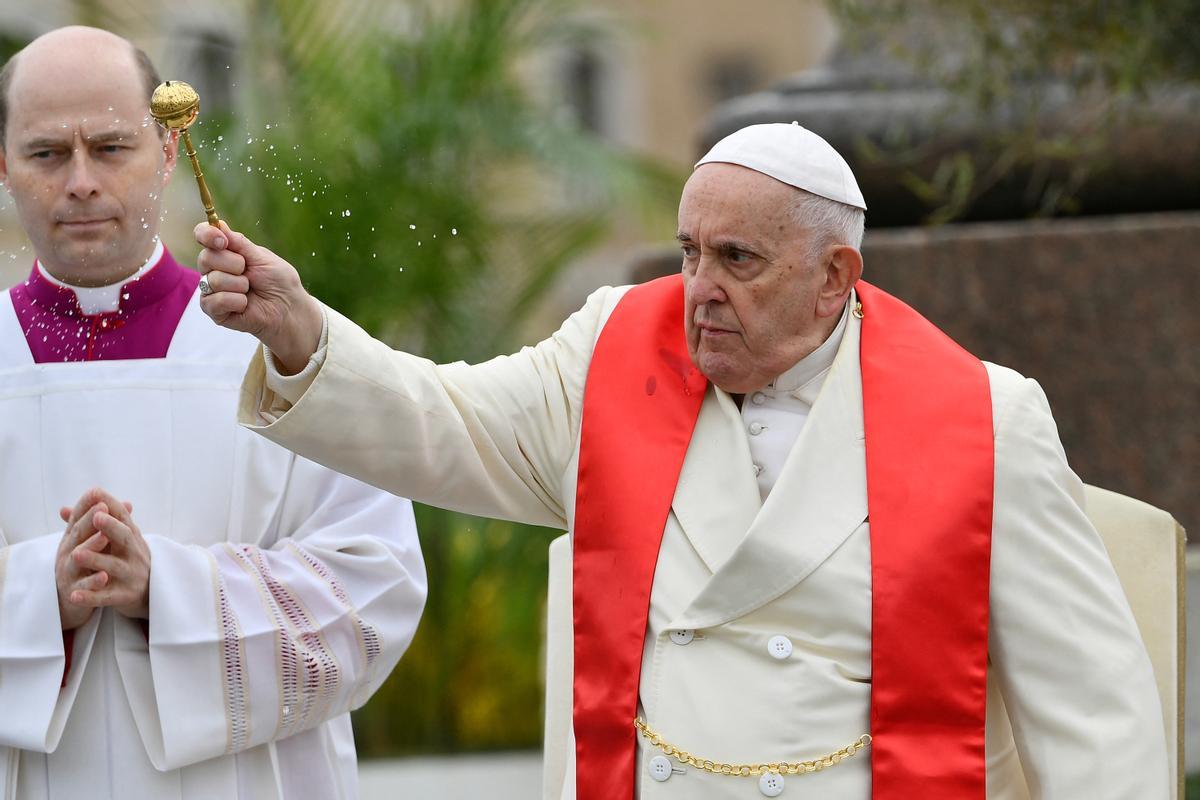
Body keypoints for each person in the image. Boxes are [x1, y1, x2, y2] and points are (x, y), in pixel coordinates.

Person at [194, 119, 1168, 798]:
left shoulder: (984, 417)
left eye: (737, 259)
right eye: (688, 251)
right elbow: (445, 420)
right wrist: (300, 332)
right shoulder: (614, 350)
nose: (697, 288)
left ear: (836, 277)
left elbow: (1096, 715)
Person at [0, 27, 426, 800]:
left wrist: (166, 589)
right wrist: (42, 597)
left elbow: (378, 589)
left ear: (166, 152)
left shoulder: (277, 349)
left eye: (110, 146)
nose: (82, 182)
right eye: (46, 154)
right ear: (2, 165)